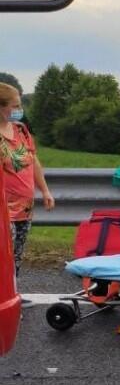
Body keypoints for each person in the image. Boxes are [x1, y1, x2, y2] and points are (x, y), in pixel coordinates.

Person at [0, 83, 53, 291]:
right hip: (4, 210)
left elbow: (33, 160)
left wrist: (45, 190)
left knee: (16, 256)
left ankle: (12, 293)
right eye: (15, 106)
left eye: (20, 105)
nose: (19, 110)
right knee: (4, 256)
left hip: (25, 206)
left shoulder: (21, 130)